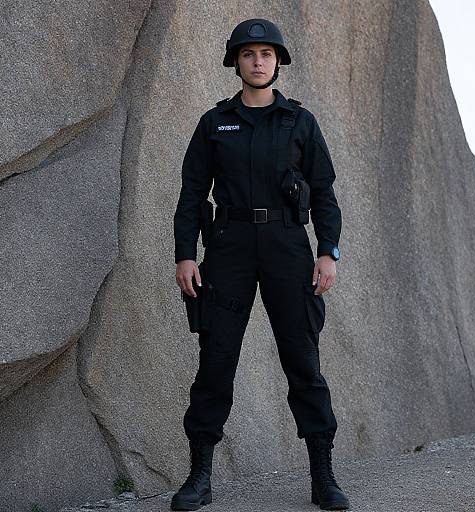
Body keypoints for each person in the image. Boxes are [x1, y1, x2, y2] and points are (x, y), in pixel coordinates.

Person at [171, 18, 350, 511]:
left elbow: (324, 194)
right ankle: (200, 478)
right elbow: (191, 193)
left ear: (278, 61)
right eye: (248, 54)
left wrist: (327, 251)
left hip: (288, 247)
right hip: (227, 248)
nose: (257, 61)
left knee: (303, 361)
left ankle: (323, 476)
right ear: (235, 61)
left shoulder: (299, 121)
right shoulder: (214, 123)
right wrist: (186, 253)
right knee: (216, 362)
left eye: (266, 54)